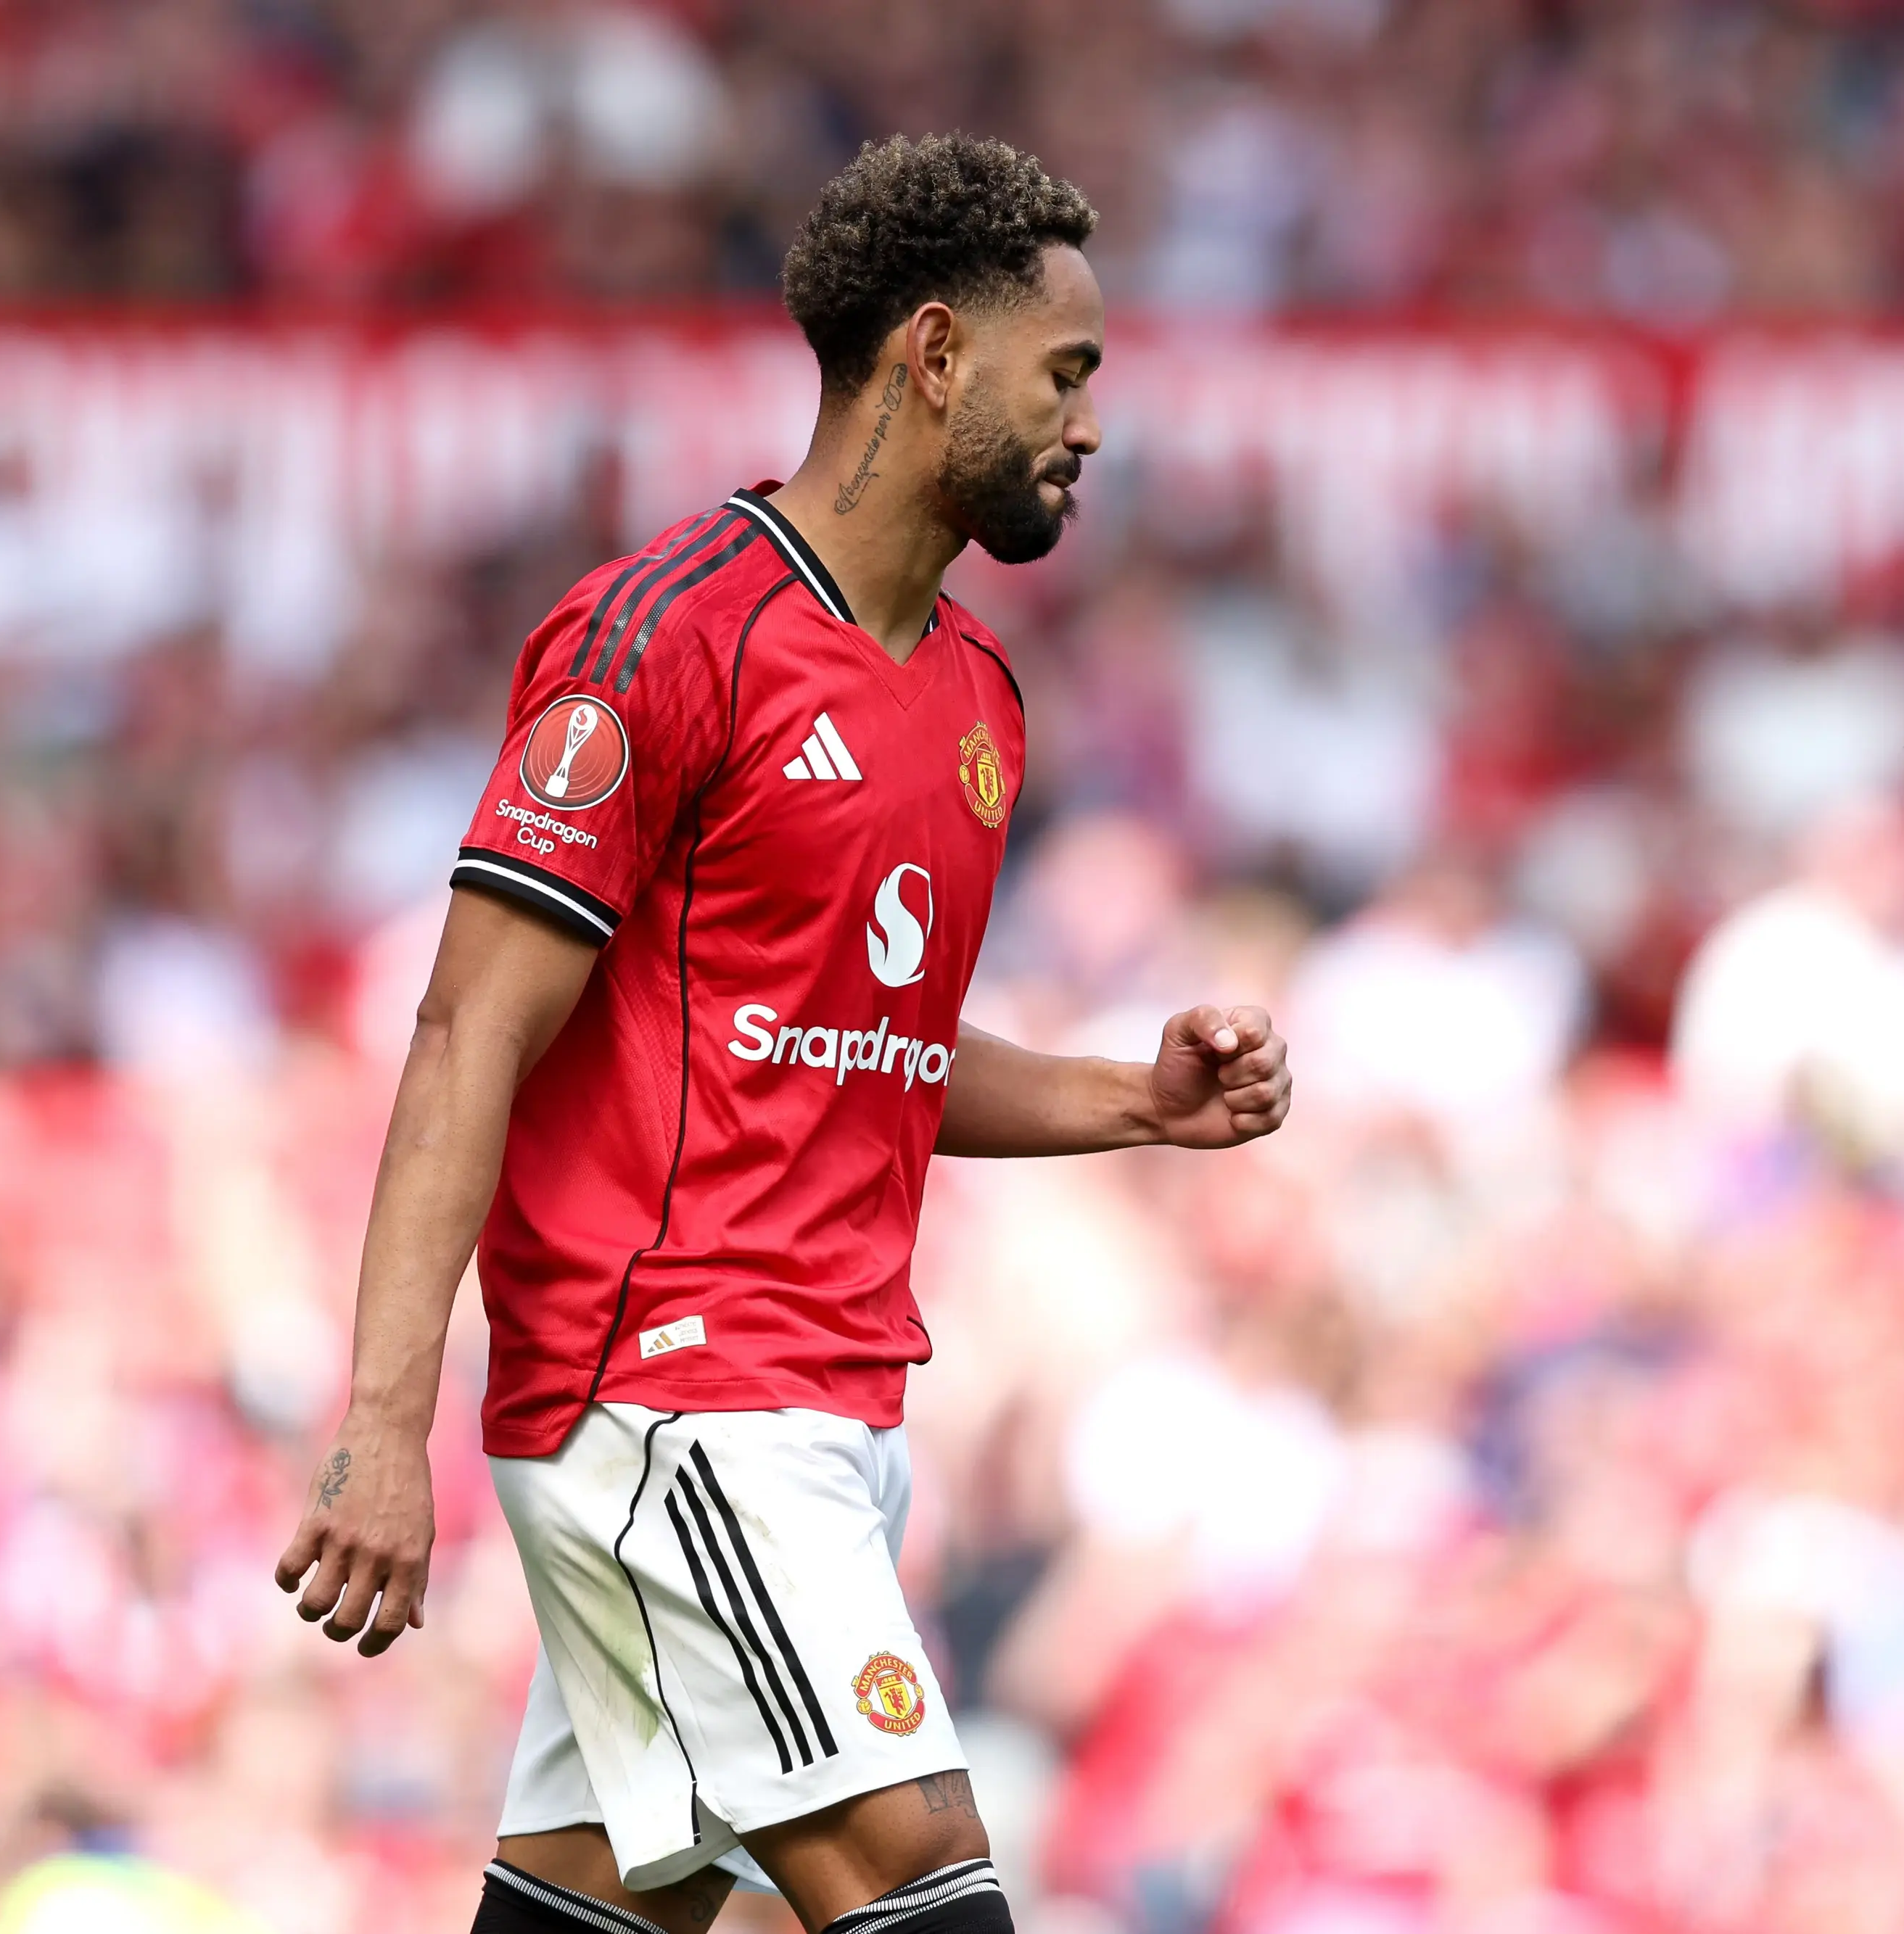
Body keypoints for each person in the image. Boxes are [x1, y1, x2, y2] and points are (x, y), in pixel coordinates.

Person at [273, 134, 1294, 1934]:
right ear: (933, 354)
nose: (1088, 424)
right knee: (920, 1878)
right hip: (673, 1394)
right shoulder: (665, 635)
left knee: (602, 1908)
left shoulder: (975, 698)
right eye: (1063, 372)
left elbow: (869, 1048)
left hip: (825, 1406)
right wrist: (379, 1419)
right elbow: (465, 1031)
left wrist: (1133, 1100)